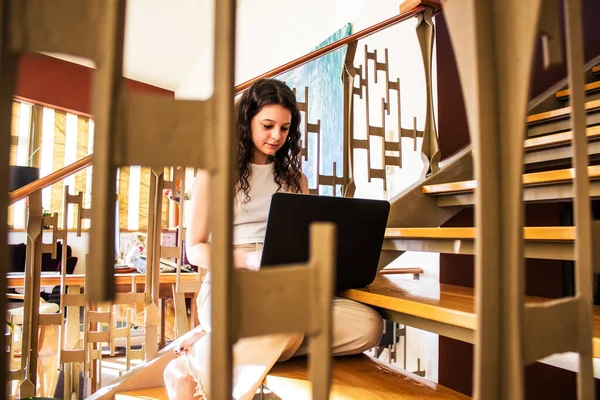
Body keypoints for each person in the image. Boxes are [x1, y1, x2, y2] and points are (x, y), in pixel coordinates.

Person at [163, 78, 383, 399]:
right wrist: (248, 259)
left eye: (284, 128)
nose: (276, 136)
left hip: (286, 284)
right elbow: (194, 249)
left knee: (368, 325)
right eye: (267, 125)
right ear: (246, 120)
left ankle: (217, 343)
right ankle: (194, 364)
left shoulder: (296, 180)